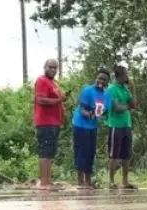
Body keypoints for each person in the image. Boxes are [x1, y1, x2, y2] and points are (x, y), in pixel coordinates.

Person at [71, 68, 110, 189]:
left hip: (92, 126)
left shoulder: (106, 94)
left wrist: (101, 114)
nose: (101, 81)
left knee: (91, 152)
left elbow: (105, 111)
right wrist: (93, 114)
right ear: (96, 78)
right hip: (80, 124)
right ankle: (80, 181)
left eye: (104, 79)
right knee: (81, 151)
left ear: (108, 82)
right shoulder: (88, 91)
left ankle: (88, 180)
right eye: (100, 78)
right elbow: (82, 110)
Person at [33, 59, 65, 191]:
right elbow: (40, 100)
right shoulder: (42, 81)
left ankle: (48, 181)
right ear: (44, 67)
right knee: (45, 151)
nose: (53, 70)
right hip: (45, 121)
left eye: (55, 68)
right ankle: (44, 182)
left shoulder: (53, 83)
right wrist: (59, 100)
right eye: (50, 67)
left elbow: (57, 101)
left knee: (50, 152)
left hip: (54, 122)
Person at [106, 65, 138, 190]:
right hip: (115, 125)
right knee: (114, 155)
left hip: (127, 125)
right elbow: (117, 108)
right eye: (126, 74)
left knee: (127, 155)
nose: (128, 77)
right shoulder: (112, 89)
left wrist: (133, 90)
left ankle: (125, 181)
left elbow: (134, 105)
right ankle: (111, 181)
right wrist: (127, 107)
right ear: (121, 75)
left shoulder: (125, 88)